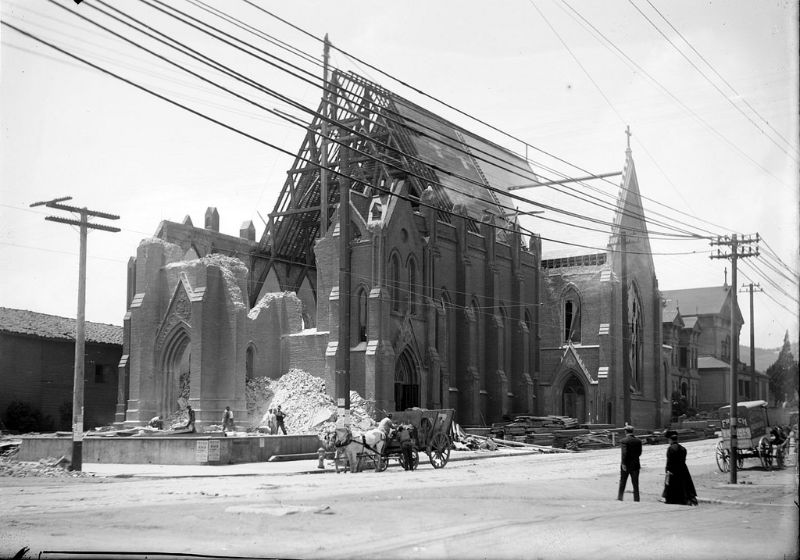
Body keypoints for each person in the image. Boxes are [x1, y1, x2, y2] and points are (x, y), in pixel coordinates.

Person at [662, 430, 697, 505]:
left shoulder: (670, 448)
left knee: (671, 485)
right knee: (684, 484)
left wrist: (667, 470)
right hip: (683, 468)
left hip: (673, 469)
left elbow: (669, 460)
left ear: (670, 440)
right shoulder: (683, 449)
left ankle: (671, 499)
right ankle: (686, 498)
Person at [617, 424, 642, 501]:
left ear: (625, 431)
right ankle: (636, 499)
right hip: (635, 464)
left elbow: (624, 453)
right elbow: (640, 453)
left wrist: (623, 463)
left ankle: (620, 497)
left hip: (626, 465)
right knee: (635, 483)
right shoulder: (638, 441)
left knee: (623, 482)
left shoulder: (624, 441)